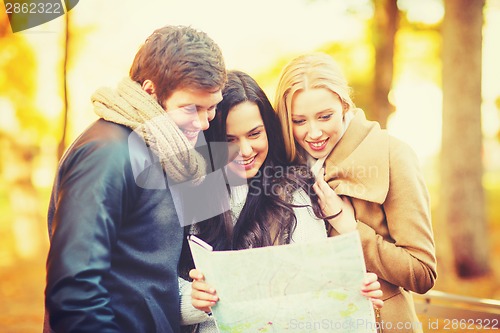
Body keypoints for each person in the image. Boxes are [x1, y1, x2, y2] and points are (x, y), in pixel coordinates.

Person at [44, 25, 227, 333]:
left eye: (211, 108)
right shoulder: (107, 154)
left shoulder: (161, 148)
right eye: (190, 108)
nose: (203, 122)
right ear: (150, 90)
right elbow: (75, 291)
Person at [179, 70, 384, 332]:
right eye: (229, 139)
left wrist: (352, 292)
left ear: (270, 132)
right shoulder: (193, 192)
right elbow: (159, 286)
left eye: (254, 134)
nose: (244, 151)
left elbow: (318, 283)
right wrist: (193, 300)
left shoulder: (291, 192)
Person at [274, 52, 437, 333]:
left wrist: (351, 230)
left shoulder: (392, 154)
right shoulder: (284, 162)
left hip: (381, 322)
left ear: (345, 105)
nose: (313, 133)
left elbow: (422, 273)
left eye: (325, 117)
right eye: (299, 121)